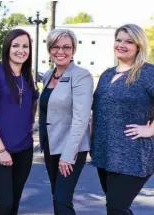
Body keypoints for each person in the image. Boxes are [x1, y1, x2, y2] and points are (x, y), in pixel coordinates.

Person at [91, 24, 154, 215]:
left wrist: (150, 130)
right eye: (119, 40)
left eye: (129, 41)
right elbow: (97, 110)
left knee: (116, 207)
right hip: (104, 153)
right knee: (117, 208)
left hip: (133, 154)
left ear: (139, 46)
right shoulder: (107, 74)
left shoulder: (147, 72)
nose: (122, 44)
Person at [0, 29, 38, 215]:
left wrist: (29, 126)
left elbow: (33, 102)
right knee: (4, 204)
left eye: (25, 46)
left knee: (14, 204)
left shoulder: (27, 75)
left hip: (24, 149)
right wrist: (1, 150)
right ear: (7, 48)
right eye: (16, 45)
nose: (21, 50)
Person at [39, 29, 94, 215]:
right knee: (56, 195)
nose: (60, 51)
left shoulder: (81, 76)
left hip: (71, 147)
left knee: (62, 199)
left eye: (66, 47)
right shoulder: (48, 75)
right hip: (50, 144)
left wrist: (68, 155)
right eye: (55, 46)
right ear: (49, 49)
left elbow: (81, 118)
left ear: (73, 50)